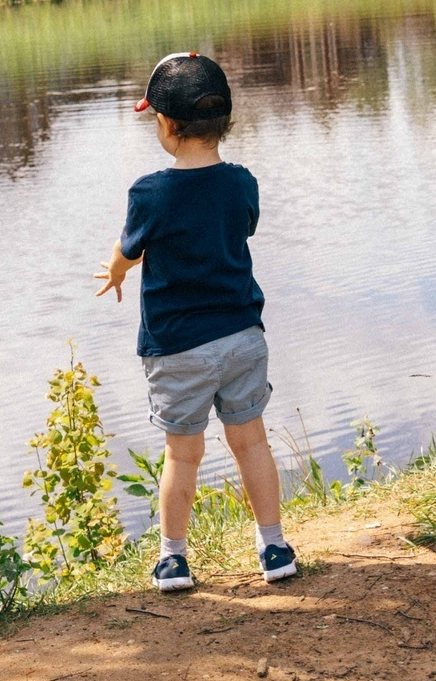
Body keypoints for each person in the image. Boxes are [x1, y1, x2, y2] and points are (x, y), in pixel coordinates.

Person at [94, 52, 296, 591]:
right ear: (223, 121)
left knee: (182, 455)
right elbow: (241, 226)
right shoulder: (242, 184)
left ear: (165, 123)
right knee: (251, 441)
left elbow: (129, 250)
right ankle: (274, 547)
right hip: (242, 337)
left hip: (177, 346)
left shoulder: (150, 194)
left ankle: (174, 559)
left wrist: (115, 272)